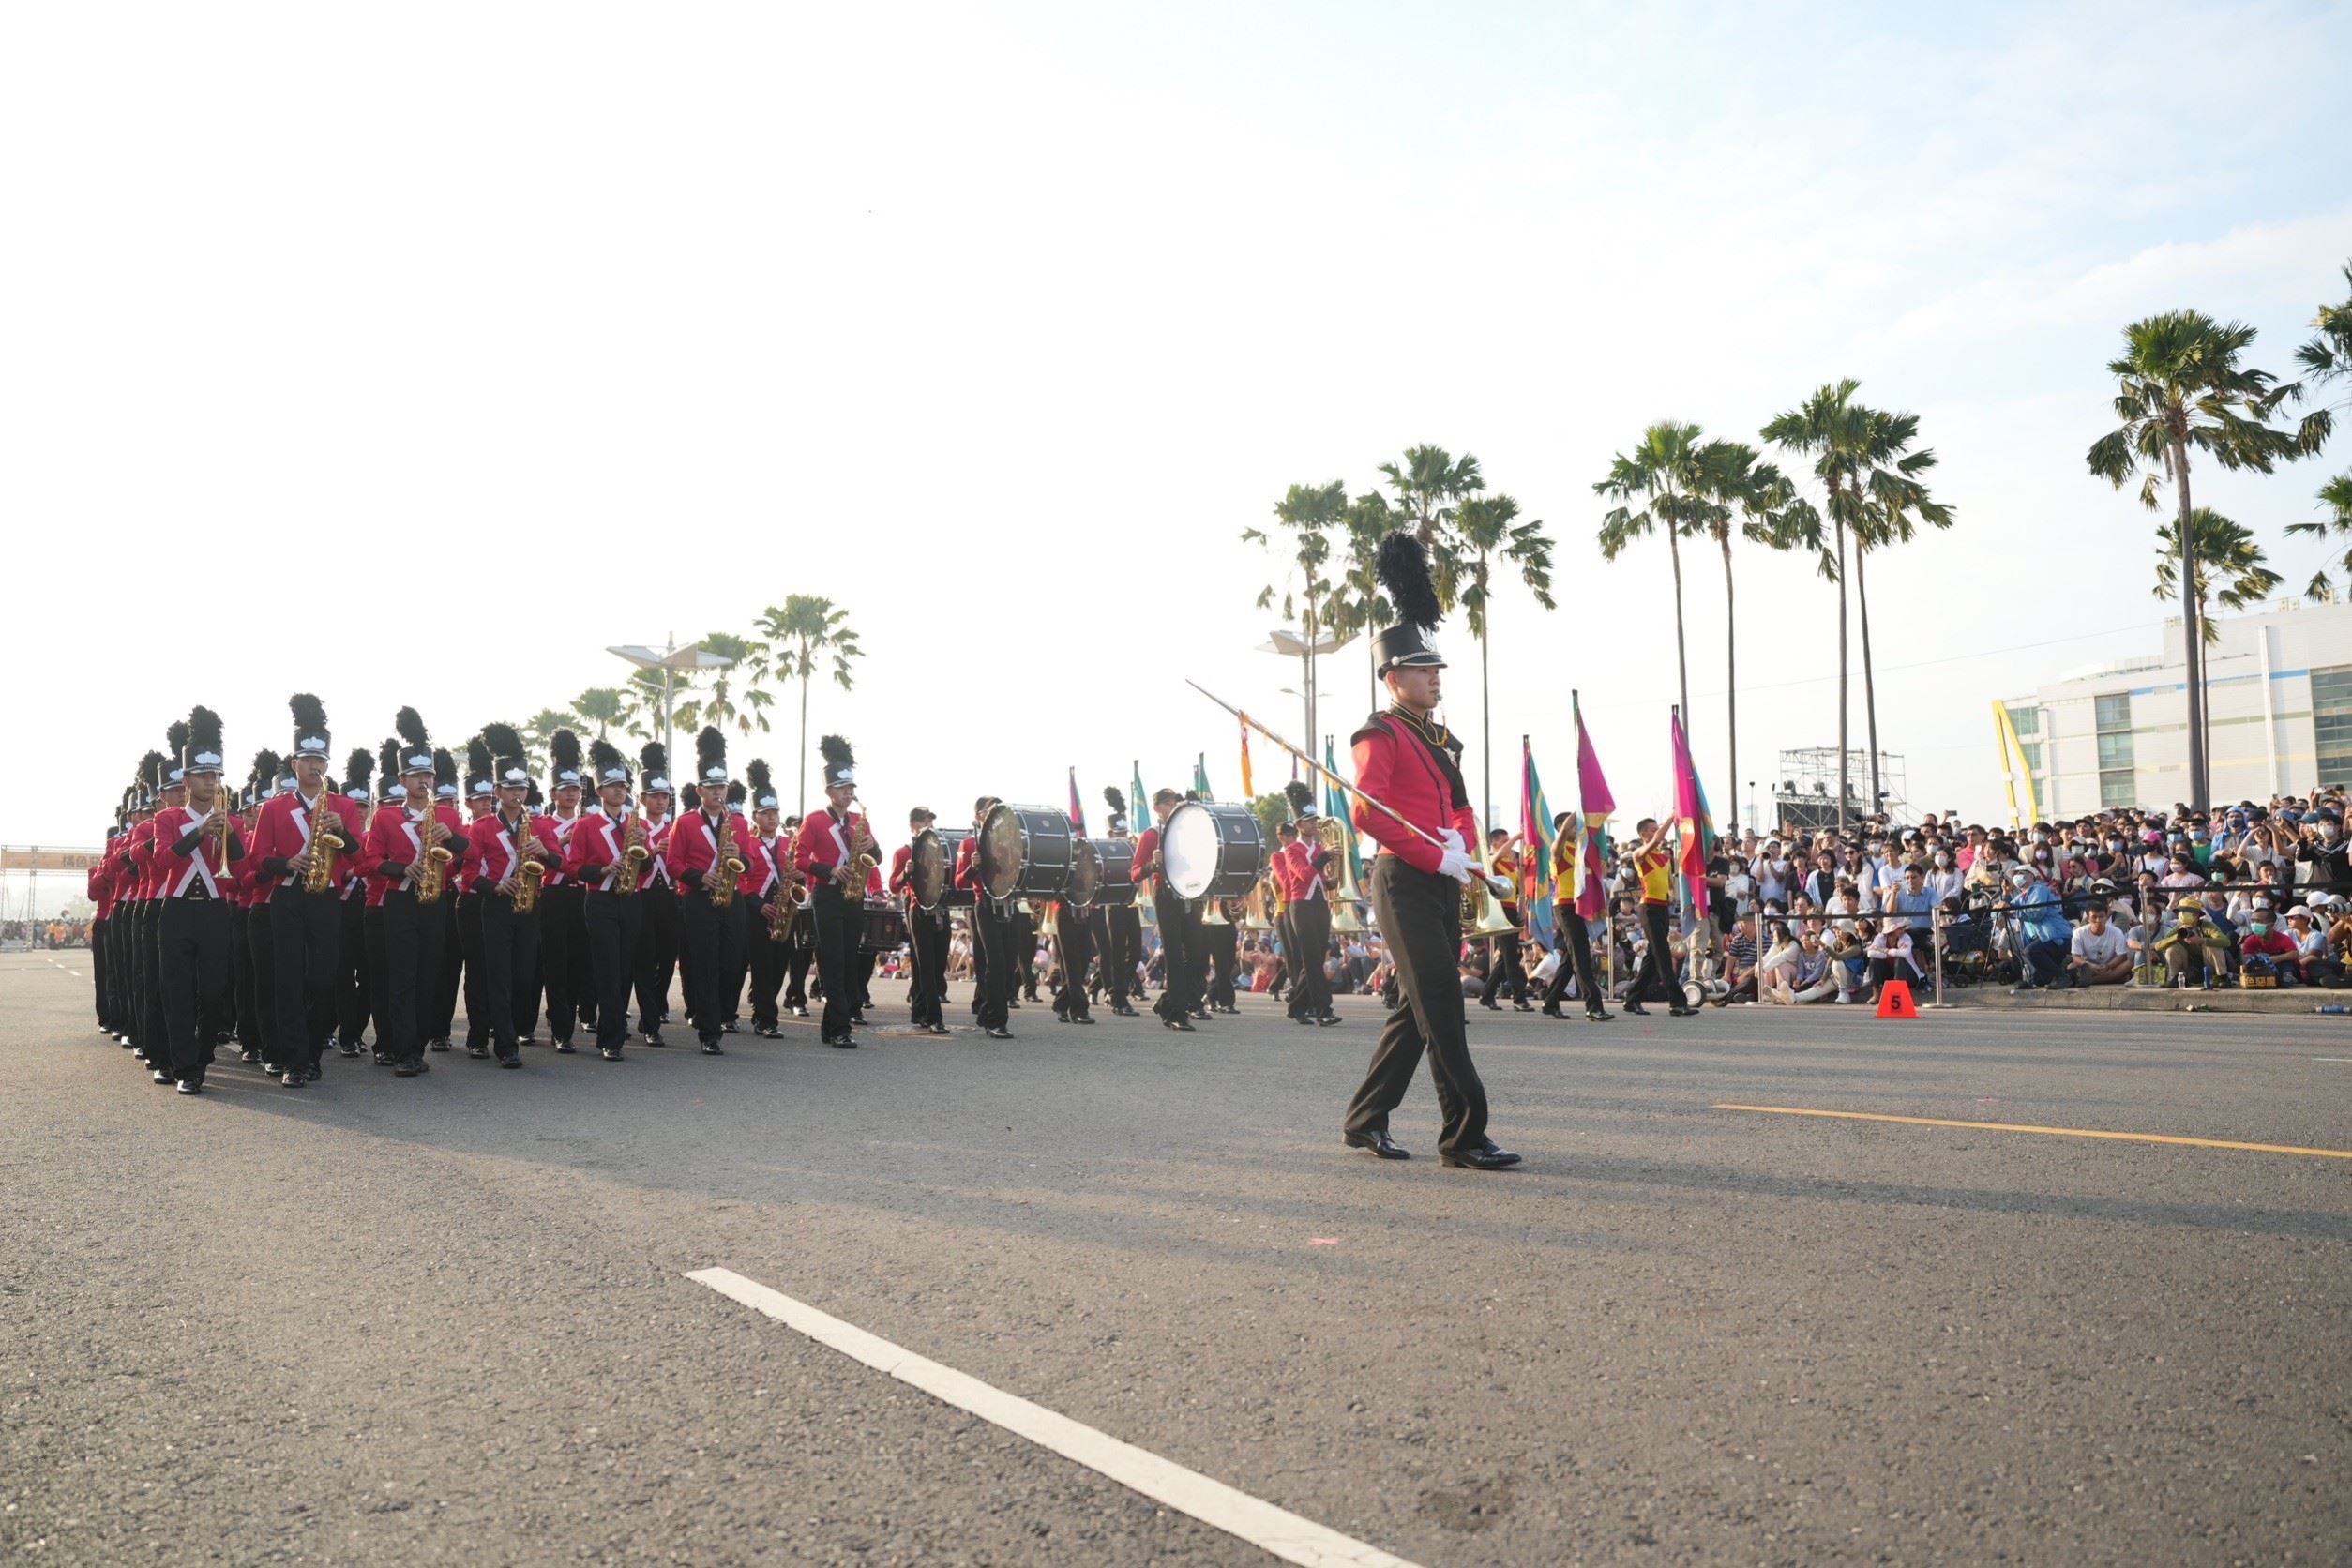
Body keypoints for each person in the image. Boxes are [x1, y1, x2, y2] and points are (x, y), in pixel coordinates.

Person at [1339, 531, 1518, 1169]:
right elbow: (1367, 810)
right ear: (1394, 677)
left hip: (1444, 876)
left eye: (1438, 669)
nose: (1435, 679)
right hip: (1404, 880)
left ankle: (1364, 1120)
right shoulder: (1379, 733)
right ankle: (1464, 1134)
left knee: (1419, 1007)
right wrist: (1430, 853)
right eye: (1423, 669)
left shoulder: (1441, 737)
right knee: (1441, 1001)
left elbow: (1463, 805)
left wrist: (1462, 848)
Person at [245, 695, 354, 1087]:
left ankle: (312, 1051)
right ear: (295, 765)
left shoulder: (343, 807)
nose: (314, 766)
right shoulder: (274, 808)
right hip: (287, 897)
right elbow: (258, 858)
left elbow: (360, 859)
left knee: (324, 978)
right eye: (307, 760)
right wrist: (287, 862)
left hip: (326, 897)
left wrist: (342, 830)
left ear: (327, 765)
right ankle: (294, 1060)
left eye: (320, 761)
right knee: (287, 978)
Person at [148, 707, 243, 1094]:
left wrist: (226, 832)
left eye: (216, 775)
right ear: (187, 779)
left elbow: (240, 865)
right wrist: (201, 830)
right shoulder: (169, 819)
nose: (211, 780)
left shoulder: (229, 819)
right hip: (179, 910)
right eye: (203, 774)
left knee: (215, 992)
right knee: (177, 990)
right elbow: (162, 860)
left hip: (214, 912)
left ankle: (202, 1055)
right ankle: (186, 1066)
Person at [367, 716, 465, 1076]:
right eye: (416, 776)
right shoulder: (385, 818)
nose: (424, 781)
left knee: (429, 975)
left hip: (435, 900)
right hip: (399, 901)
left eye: (429, 776)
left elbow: (466, 852)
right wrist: (401, 868)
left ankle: (418, 1047)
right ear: (402, 781)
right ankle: (402, 1049)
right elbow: (371, 860)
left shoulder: (448, 815)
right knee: (403, 975)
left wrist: (449, 839)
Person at [466, 727, 555, 1068]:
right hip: (497, 906)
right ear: (498, 790)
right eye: (511, 787)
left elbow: (562, 865)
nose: (518, 793)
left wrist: (544, 851)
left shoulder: (540, 825)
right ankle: (506, 1045)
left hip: (530, 907)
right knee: (499, 976)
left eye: (522, 787)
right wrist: (497, 887)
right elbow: (470, 874)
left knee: (523, 976)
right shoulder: (483, 827)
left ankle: (512, 1029)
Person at [562, 738, 647, 1060]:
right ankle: (610, 1039)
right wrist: (603, 869)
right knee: (608, 967)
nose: (619, 791)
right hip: (600, 899)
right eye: (612, 786)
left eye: (623, 785)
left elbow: (648, 865)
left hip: (631, 899)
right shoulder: (587, 825)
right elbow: (573, 868)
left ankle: (616, 1025)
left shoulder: (634, 824)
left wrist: (642, 845)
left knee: (626, 968)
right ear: (599, 791)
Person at [666, 728, 745, 1055]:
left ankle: (719, 1012)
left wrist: (740, 858)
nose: (718, 792)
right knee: (706, 963)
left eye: (722, 787)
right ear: (699, 790)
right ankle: (709, 1032)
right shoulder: (684, 823)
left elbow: (751, 860)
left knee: (732, 962)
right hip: (699, 898)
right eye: (712, 787)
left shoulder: (738, 822)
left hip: (732, 896)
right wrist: (700, 878)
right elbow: (673, 863)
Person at [793, 735, 873, 1048]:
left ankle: (832, 1026)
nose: (849, 794)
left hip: (853, 896)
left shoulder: (858, 821)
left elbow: (875, 858)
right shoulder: (814, 821)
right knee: (833, 961)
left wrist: (873, 847)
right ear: (829, 791)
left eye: (851, 788)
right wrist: (829, 869)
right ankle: (840, 1028)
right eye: (843, 789)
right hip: (826, 896)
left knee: (849, 960)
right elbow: (800, 860)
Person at [1130, 788, 1200, 1031]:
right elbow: (1135, 873)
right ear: (1157, 807)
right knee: (1173, 956)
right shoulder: (1151, 835)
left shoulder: (1187, 834)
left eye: (1175, 802)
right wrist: (1153, 864)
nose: (1173, 806)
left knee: (1198, 955)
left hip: (1189, 895)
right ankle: (1178, 1013)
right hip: (1166, 895)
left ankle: (1168, 1002)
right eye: (1169, 803)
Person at [1272, 780, 1338, 1026]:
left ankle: (1297, 1006)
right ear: (1299, 824)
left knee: (1316, 958)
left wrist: (1330, 882)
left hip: (1319, 905)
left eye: (1315, 820)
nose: (1315, 824)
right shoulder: (1292, 850)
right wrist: (1323, 860)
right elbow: (1304, 875)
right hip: (1301, 907)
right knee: (1311, 959)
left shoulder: (1319, 847)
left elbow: (1317, 877)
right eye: (1310, 820)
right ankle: (1324, 1010)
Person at [1541, 810, 1611, 1022]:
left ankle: (1551, 1001)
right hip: (1565, 904)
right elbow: (1561, 835)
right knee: (1581, 955)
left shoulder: (1581, 849)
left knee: (1571, 958)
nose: (1577, 830)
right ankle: (1593, 1006)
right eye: (1574, 826)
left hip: (1581, 904)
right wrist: (1578, 809)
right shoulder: (1557, 848)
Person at [632, 743, 681, 1044]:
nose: (661, 801)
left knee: (667, 957)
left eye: (665, 796)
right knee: (644, 959)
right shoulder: (634, 827)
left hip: (670, 898)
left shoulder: (676, 828)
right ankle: (650, 1023)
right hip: (642, 897)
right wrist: (652, 849)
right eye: (655, 796)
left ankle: (656, 1005)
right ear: (643, 798)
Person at [956, 795, 1016, 1038]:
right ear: (980, 816)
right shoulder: (970, 844)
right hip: (986, 906)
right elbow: (959, 882)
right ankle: (996, 1021)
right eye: (991, 811)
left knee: (1011, 966)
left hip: (1010, 906)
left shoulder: (1011, 843)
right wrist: (973, 867)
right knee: (996, 964)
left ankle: (987, 1009)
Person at [741, 761, 792, 1037]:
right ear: (755, 817)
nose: (772, 818)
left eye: (775, 813)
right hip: (756, 908)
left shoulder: (788, 843)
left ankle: (765, 1008)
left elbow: (798, 877)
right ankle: (766, 1018)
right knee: (761, 966)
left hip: (783, 908)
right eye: (766, 813)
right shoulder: (748, 842)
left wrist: (796, 879)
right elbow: (742, 881)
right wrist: (760, 906)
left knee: (778, 966)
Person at [891, 807, 953, 1035]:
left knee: (936, 964)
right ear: (914, 826)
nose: (931, 826)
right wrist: (906, 873)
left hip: (940, 908)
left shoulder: (940, 850)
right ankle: (934, 1017)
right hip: (917, 907)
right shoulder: (902, 852)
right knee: (925, 963)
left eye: (931, 822)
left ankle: (919, 1009)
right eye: (926, 822)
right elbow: (893, 885)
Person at [1623, 817, 1692, 1018]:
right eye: (1653, 830)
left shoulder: (1664, 858)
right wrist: (1672, 818)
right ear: (1643, 834)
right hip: (1648, 907)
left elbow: (1670, 885)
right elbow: (1655, 841)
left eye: (1657, 829)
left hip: (1662, 907)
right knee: (1663, 954)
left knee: (1653, 957)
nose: (1657, 833)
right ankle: (1677, 1002)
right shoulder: (1639, 854)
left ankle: (1632, 998)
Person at [1099, 788, 1143, 1017]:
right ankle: (1119, 998)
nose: (1122, 836)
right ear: (1109, 833)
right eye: (1118, 833)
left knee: (1135, 951)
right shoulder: (1103, 851)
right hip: (1113, 904)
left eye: (1124, 832)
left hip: (1131, 903)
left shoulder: (1134, 849)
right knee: (1116, 952)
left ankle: (1118, 989)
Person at [1479, 828, 1532, 1012]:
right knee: (1510, 955)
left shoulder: (1513, 864)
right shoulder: (1491, 860)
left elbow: (1520, 890)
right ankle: (1519, 997)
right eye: (1504, 841)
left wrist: (1522, 909)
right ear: (1494, 844)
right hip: (1498, 911)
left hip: (1511, 911)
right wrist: (1518, 837)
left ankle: (1487, 995)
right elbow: (1500, 853)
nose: (1509, 844)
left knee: (1508, 956)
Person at [2002, 867, 2072, 991]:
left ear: (2031, 876)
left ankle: (2062, 976)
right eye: (2015, 874)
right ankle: (2058, 976)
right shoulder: (2021, 897)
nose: (2017, 876)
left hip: (2055, 936)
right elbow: (2008, 908)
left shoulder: (2039, 889)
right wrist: (2006, 895)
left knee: (2030, 951)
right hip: (2041, 939)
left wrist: (2011, 910)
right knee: (2039, 980)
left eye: (2021, 873)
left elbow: (2037, 913)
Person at [2067, 902, 2132, 987]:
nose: (2098, 920)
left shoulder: (2116, 932)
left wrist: (2108, 966)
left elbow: (2122, 955)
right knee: (2071, 967)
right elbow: (2076, 957)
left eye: (2101, 917)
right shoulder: (2079, 933)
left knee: (2128, 964)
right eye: (2094, 917)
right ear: (2088, 919)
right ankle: (2112, 979)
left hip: (2110, 966)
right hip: (2089, 967)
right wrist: (2090, 965)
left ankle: (2092, 981)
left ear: (2106, 917)